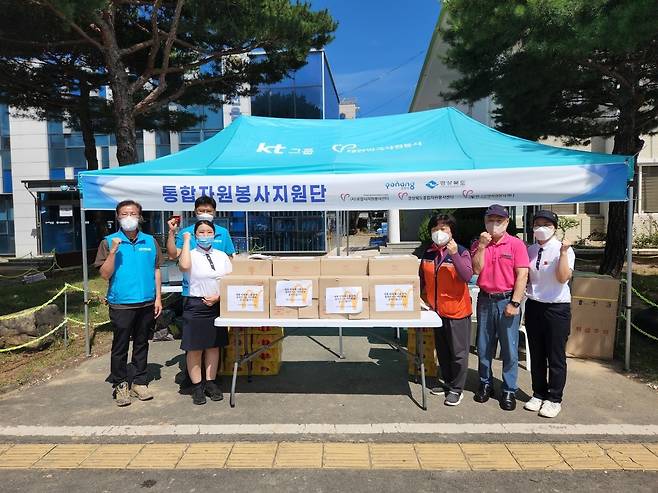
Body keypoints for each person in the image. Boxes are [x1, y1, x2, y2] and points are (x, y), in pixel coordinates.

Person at [94, 200, 163, 407]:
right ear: (117, 217)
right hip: (121, 303)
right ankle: (120, 383)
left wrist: (158, 298)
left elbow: (156, 270)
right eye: (124, 214)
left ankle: (140, 381)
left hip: (146, 302)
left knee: (142, 342)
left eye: (133, 213)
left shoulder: (150, 241)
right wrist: (114, 252)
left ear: (140, 216)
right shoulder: (109, 242)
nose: (129, 217)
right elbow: (104, 275)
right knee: (120, 345)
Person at [471, 204, 529, 411]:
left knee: (510, 349)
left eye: (499, 220)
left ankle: (508, 389)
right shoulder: (479, 244)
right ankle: (485, 383)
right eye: (490, 220)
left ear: (506, 222)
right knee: (484, 346)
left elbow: (522, 275)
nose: (494, 224)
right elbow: (476, 269)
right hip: (485, 300)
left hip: (507, 301)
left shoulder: (516, 245)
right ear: (485, 222)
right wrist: (482, 247)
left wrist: (515, 302)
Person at [523, 210, 574, 418]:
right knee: (536, 353)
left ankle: (554, 398)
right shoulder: (531, 249)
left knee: (555, 355)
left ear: (554, 227)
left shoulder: (563, 249)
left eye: (546, 224)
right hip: (534, 305)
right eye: (537, 224)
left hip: (557, 307)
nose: (541, 228)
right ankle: (538, 393)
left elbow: (563, 278)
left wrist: (563, 253)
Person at [420, 214, 473, 406]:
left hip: (457, 311)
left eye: (443, 229)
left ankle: (457, 389)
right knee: (442, 350)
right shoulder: (428, 252)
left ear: (452, 232)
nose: (439, 232)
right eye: (435, 229)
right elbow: (421, 278)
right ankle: (448, 383)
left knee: (459, 353)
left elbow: (467, 275)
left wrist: (455, 255)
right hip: (436, 311)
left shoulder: (462, 251)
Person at [178, 220, 233, 405]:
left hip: (217, 305)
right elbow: (184, 266)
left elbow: (230, 280)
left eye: (209, 232)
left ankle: (210, 382)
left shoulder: (221, 256)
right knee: (194, 348)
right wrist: (186, 241)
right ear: (195, 235)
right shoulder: (190, 254)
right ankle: (197, 386)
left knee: (213, 346)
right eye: (201, 232)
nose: (205, 235)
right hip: (195, 304)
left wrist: (218, 297)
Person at [166, 195, 236, 260]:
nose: (205, 214)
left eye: (209, 211)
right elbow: (173, 255)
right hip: (192, 272)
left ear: (214, 212)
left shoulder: (223, 232)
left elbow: (230, 256)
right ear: (195, 211)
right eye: (201, 211)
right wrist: (171, 232)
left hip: (217, 272)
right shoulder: (185, 232)